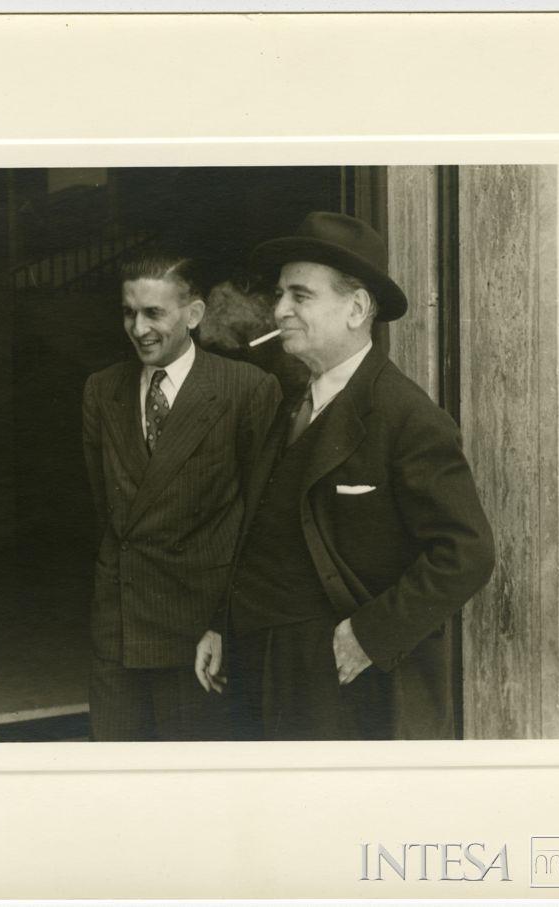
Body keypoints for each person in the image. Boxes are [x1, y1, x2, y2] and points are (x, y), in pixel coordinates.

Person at [194, 212, 495, 740]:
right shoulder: (292, 403)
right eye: (280, 294)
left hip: (342, 682)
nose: (279, 309)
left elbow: (466, 554)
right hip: (260, 664)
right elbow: (260, 531)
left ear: (356, 308)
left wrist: (369, 637)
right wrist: (222, 621)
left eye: (299, 296)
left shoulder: (407, 417)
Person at [81, 250, 280, 741]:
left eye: (154, 313)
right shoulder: (101, 390)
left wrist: (226, 624)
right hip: (120, 625)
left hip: (200, 632)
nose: (138, 328)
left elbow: (262, 518)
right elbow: (102, 502)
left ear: (193, 315)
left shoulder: (246, 389)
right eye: (129, 312)